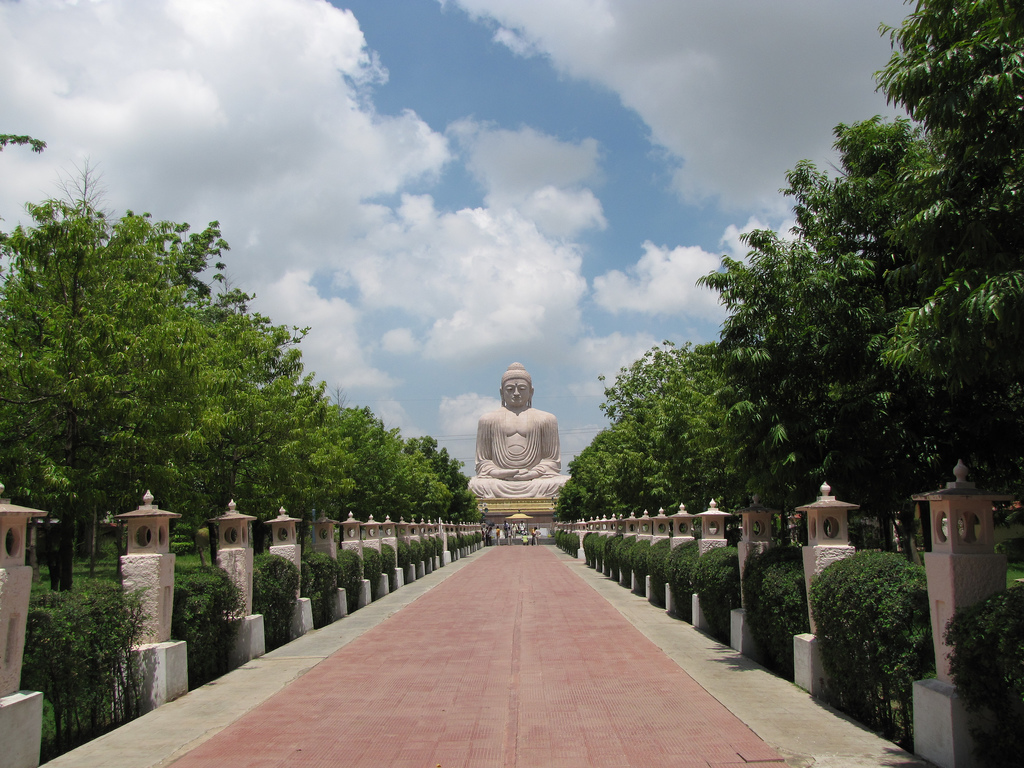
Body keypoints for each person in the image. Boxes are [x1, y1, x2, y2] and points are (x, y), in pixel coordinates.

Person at [468, 363, 570, 499]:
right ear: (501, 392)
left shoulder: (547, 419)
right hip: (499, 481)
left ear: (531, 392)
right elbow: (483, 462)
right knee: (474, 484)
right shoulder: (487, 420)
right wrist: (500, 473)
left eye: (522, 388)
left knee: (563, 483)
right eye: (510, 389)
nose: (516, 393)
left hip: (535, 480)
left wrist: (532, 473)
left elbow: (552, 461)